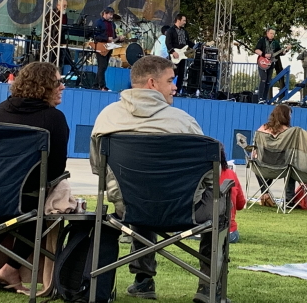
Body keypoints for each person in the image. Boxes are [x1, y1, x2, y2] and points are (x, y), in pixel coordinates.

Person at [89, 55, 222, 303]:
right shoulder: (184, 122)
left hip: (130, 208)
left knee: (141, 192)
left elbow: (99, 169)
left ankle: (143, 280)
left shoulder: (106, 118)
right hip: (184, 210)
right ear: (152, 83)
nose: (175, 87)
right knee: (220, 203)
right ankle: (209, 286)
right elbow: (210, 180)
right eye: (170, 81)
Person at [0, 62, 69, 292]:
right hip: (26, 201)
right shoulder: (54, 119)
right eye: (58, 82)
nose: (62, 87)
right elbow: (55, 170)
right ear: (43, 85)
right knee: (50, 198)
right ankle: (11, 267)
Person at [255, 104, 292, 207]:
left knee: (256, 160)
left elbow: (255, 149)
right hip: (281, 166)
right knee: (272, 161)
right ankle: (266, 193)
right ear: (285, 115)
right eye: (290, 114)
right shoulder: (289, 131)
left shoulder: (263, 128)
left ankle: (265, 193)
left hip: (263, 165)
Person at [254, 28, 290, 103]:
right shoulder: (262, 40)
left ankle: (264, 98)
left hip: (271, 63)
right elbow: (256, 50)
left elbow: (280, 53)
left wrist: (286, 50)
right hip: (262, 61)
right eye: (271, 33)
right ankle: (260, 98)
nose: (272, 35)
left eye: (273, 34)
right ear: (267, 33)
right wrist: (264, 55)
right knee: (263, 79)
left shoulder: (275, 43)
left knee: (268, 81)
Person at [94, 7, 125, 91]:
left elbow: (113, 38)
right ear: (105, 13)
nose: (111, 16)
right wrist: (106, 38)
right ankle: (102, 86)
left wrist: (119, 39)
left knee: (104, 67)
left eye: (112, 15)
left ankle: (96, 84)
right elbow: (95, 35)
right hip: (101, 46)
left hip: (109, 46)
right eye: (110, 14)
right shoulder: (98, 22)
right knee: (102, 66)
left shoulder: (112, 24)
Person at [219, 147, 246, 244]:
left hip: (198, 229)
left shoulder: (197, 175)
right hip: (229, 232)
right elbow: (240, 204)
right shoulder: (231, 174)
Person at [165, 14, 194, 95]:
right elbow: (168, 43)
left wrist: (197, 46)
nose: (185, 22)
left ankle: (177, 91)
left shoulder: (184, 31)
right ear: (178, 20)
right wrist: (173, 52)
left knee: (181, 74)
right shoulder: (171, 30)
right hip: (175, 55)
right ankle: (167, 89)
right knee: (172, 73)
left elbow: (188, 42)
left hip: (183, 55)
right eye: (184, 20)